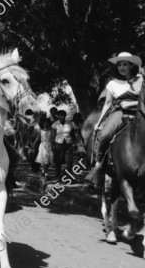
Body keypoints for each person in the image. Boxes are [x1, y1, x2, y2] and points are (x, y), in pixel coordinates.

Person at [85, 52, 143, 189]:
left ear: (131, 66)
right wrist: (99, 123)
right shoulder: (112, 83)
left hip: (139, 113)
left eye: (125, 64)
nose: (122, 67)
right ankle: (97, 166)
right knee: (104, 135)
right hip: (120, 113)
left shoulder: (141, 79)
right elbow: (107, 103)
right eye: (119, 65)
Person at [51, 110, 73, 180]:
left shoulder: (70, 123)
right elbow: (52, 135)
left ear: (65, 116)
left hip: (68, 143)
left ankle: (69, 176)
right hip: (58, 143)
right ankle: (58, 175)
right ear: (57, 116)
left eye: (63, 115)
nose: (61, 117)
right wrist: (52, 145)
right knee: (58, 160)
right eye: (59, 115)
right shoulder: (55, 124)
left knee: (69, 160)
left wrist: (75, 143)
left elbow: (72, 134)